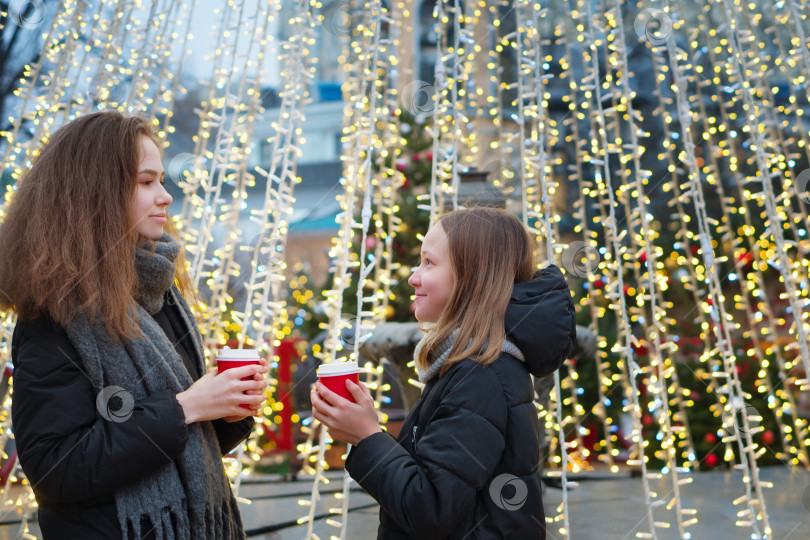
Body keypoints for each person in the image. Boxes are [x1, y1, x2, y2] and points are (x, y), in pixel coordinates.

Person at [0, 111, 267, 539]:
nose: (165, 196)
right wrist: (187, 408)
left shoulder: (157, 291)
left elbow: (176, 447)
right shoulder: (52, 317)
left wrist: (227, 408)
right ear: (96, 194)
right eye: (146, 182)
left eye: (161, 180)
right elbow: (56, 468)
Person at [311, 207, 576, 539]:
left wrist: (367, 436)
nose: (413, 276)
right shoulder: (476, 367)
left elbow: (430, 509)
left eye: (429, 262)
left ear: (472, 277)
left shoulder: (479, 376)